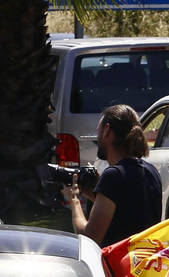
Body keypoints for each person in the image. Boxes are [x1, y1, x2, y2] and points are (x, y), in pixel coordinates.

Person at [65, 103, 163, 246]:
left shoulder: (113, 176)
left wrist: (74, 200)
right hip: (143, 258)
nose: (97, 137)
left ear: (107, 130)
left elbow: (89, 238)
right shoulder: (151, 171)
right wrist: (95, 193)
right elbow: (128, 213)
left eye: (98, 131)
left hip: (117, 260)